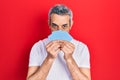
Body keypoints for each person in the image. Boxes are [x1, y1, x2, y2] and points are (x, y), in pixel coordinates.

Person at [27, 4, 91, 80]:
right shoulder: (38, 47)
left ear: (71, 25)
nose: (59, 31)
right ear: (49, 24)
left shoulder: (82, 48)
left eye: (64, 26)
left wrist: (69, 58)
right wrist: (49, 58)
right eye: (55, 26)